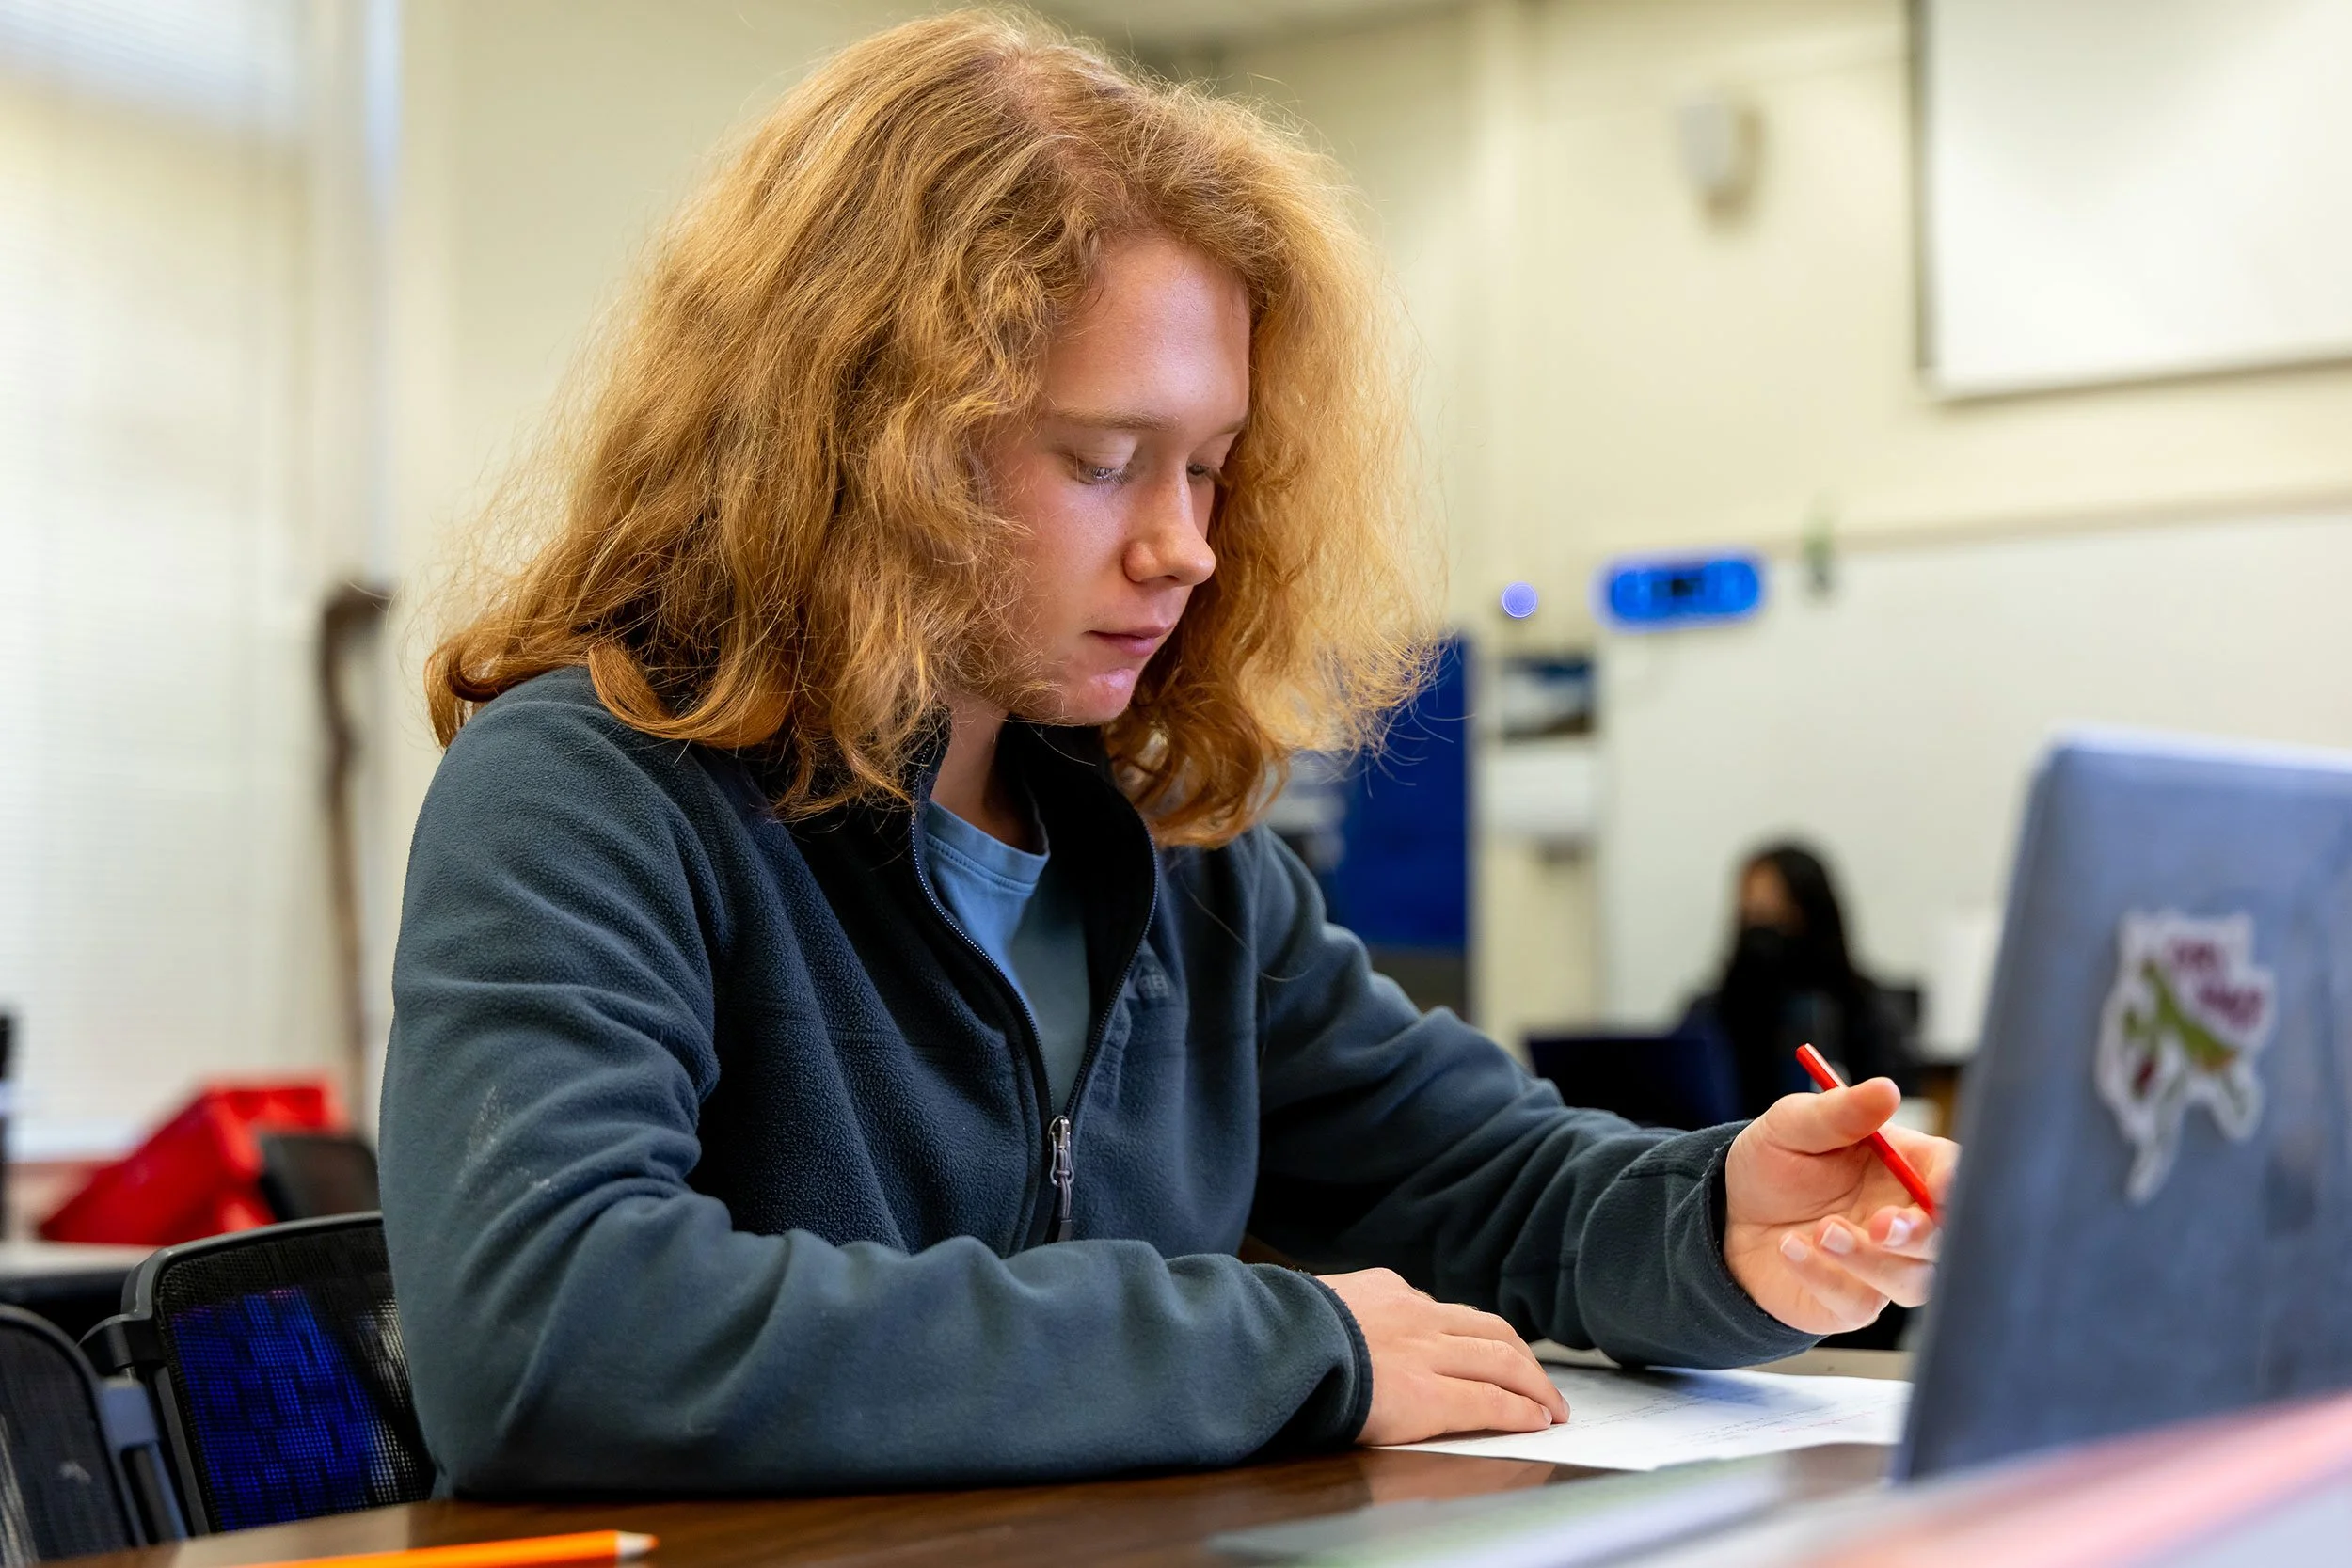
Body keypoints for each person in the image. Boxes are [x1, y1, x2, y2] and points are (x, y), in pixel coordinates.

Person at [379, 11, 1955, 1496]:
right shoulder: (588, 789)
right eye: (1103, 461)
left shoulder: (1174, 852)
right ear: (864, 443)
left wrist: (1723, 1221)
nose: (1185, 547)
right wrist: (1286, 1343)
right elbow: (548, 1336)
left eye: (1209, 469)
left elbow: (1491, 1180)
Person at [1686, 845, 1919, 1118]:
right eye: (1754, 913)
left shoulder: (1866, 1011)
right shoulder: (1712, 1012)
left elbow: (1898, 1103)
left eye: (1781, 913)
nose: (1764, 929)